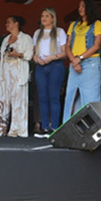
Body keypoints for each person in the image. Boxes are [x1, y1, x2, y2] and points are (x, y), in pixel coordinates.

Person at [64, 0, 101, 122]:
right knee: (70, 95)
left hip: (90, 63)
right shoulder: (73, 25)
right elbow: (67, 45)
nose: (80, 8)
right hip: (75, 63)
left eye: (83, 6)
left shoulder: (97, 24)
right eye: (79, 6)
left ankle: (90, 126)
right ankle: (67, 126)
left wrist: (79, 58)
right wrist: (73, 60)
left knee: (90, 96)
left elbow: (96, 45)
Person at [0, 15, 33, 138]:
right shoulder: (5, 39)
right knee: (2, 100)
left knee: (18, 101)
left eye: (9, 22)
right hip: (5, 72)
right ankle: (0, 129)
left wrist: (17, 54)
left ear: (16, 24)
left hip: (18, 73)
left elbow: (29, 55)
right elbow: (2, 58)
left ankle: (16, 130)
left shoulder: (26, 38)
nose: (6, 24)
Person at [32, 8, 68, 138]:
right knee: (42, 97)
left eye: (47, 16)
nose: (44, 18)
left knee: (53, 96)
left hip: (55, 65)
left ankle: (55, 127)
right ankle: (45, 128)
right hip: (41, 66)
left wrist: (52, 57)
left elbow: (64, 52)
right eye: (42, 16)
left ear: (53, 18)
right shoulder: (37, 33)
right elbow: (34, 52)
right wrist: (36, 59)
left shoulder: (59, 32)